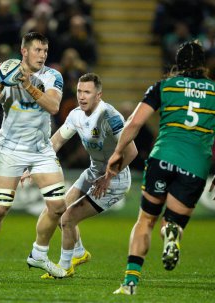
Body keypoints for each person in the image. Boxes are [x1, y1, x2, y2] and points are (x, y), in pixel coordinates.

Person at [106, 41, 215, 295]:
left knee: (146, 220)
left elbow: (135, 123)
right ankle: (172, 232)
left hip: (162, 159)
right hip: (195, 168)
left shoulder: (165, 86)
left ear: (178, 65)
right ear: (204, 65)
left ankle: (130, 283)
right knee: (174, 222)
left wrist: (117, 152)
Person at [0, 32, 68, 280]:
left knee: (57, 207)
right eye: (37, 50)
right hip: (11, 150)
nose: (42, 55)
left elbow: (54, 106)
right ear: (24, 51)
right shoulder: (6, 70)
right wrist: (0, 84)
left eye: (45, 50)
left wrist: (27, 85)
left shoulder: (53, 76)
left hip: (41, 150)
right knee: (0, 209)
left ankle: (39, 255)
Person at [33, 73, 138, 278]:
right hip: (93, 172)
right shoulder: (76, 115)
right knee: (58, 210)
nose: (82, 96)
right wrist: (34, 164)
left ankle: (65, 267)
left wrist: (108, 176)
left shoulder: (110, 116)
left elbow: (131, 152)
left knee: (68, 218)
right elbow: (56, 142)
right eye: (79, 91)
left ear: (98, 95)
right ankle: (79, 252)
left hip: (115, 180)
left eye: (87, 92)